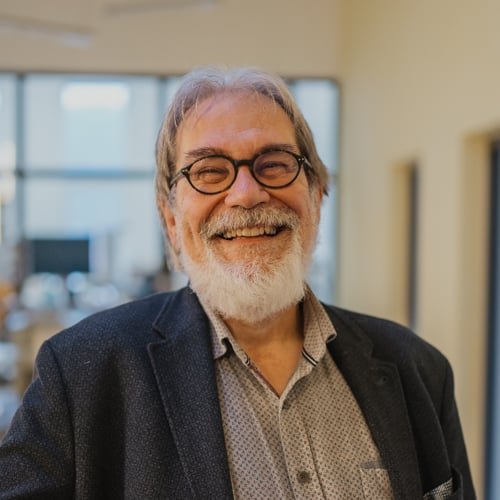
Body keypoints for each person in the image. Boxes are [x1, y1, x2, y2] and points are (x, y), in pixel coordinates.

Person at [0, 66, 475, 500]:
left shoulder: (418, 369)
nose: (247, 194)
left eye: (275, 164)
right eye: (209, 171)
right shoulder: (83, 374)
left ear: (316, 197)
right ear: (171, 219)